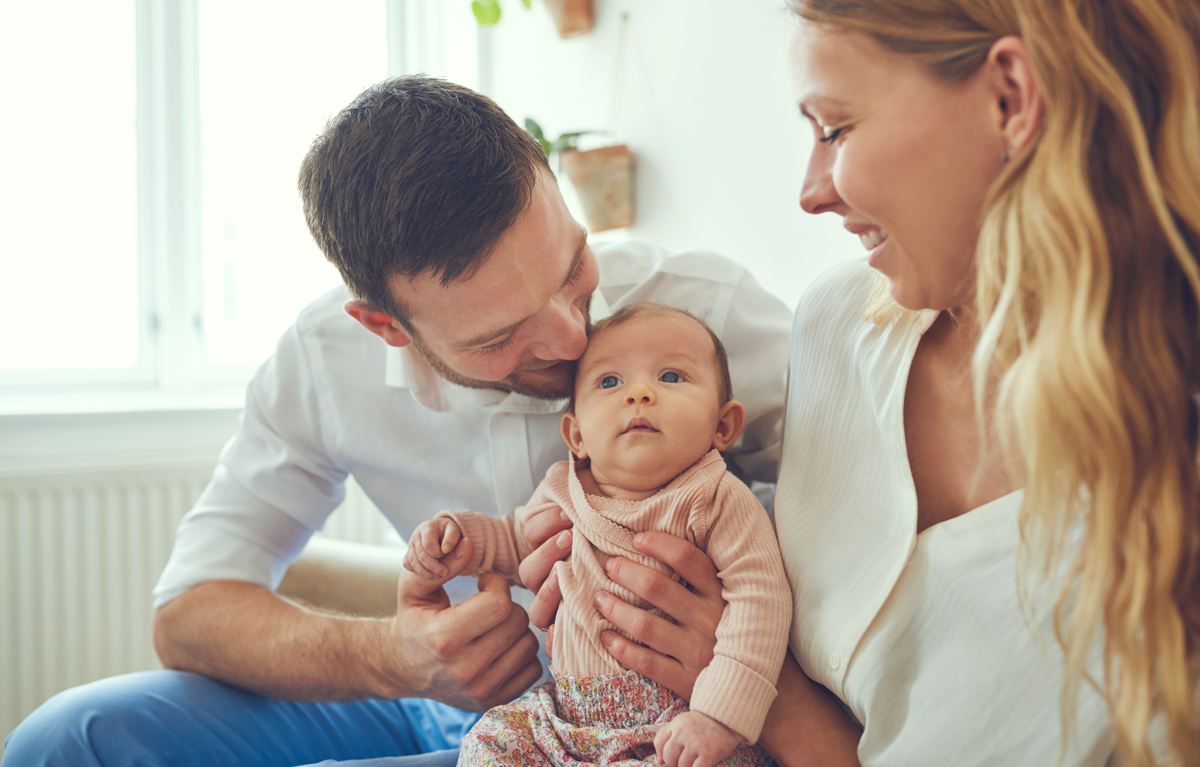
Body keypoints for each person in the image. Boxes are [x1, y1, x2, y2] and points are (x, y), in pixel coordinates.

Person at [0, 78, 792, 767]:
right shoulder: (321, 362)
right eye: (497, 335)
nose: (573, 338)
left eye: (573, 269)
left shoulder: (707, 317)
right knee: (69, 739)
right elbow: (189, 614)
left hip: (659, 719)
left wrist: (735, 651)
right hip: (435, 706)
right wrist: (398, 656)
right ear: (385, 326)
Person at [539, 1, 1199, 765]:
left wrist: (769, 695)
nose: (810, 192)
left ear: (1009, 99)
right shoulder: (839, 322)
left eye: (835, 128)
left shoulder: (1168, 491)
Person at [405, 303, 791, 767]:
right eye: (610, 382)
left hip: (679, 723)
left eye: (671, 377)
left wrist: (719, 717)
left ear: (722, 425)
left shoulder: (713, 499)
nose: (640, 393)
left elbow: (761, 599)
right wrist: (458, 539)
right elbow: (515, 541)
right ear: (576, 435)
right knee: (487, 744)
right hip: (568, 723)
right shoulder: (560, 490)